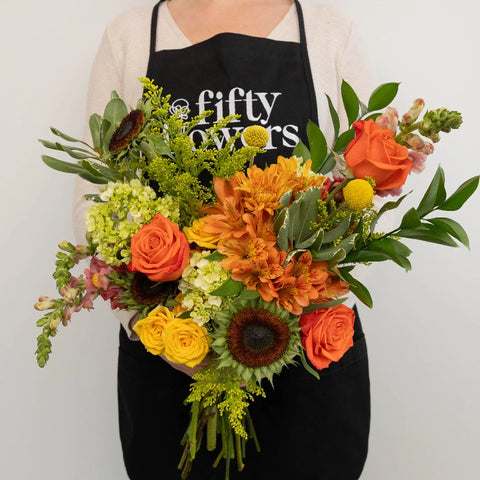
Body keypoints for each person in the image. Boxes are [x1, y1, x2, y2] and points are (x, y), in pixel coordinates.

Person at [74, 1, 372, 478]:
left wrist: (286, 309)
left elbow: (360, 192)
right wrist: (169, 335)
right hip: (173, 364)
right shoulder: (130, 37)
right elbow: (95, 201)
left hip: (309, 361)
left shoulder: (331, 33)